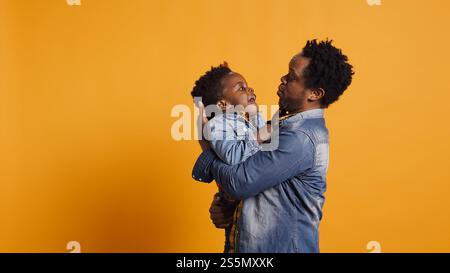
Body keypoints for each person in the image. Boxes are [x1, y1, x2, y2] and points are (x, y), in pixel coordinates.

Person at [192, 39, 354, 252]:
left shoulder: (301, 137)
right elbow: (259, 186)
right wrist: (227, 206)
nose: (283, 79)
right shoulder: (281, 124)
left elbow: (240, 182)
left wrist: (209, 149)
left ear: (315, 94)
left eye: (292, 77)